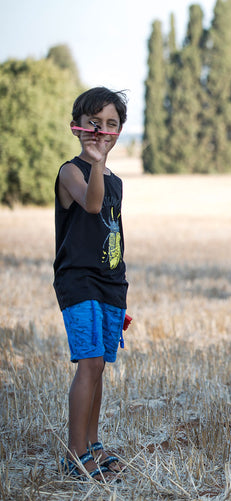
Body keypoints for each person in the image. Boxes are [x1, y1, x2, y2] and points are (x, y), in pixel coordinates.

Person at [54, 87, 129, 481]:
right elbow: (93, 205)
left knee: (99, 367)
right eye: (93, 123)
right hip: (78, 280)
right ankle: (74, 453)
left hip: (110, 284)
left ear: (120, 131)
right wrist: (96, 164)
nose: (102, 131)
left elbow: (112, 234)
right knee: (90, 362)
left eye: (111, 124)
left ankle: (93, 445)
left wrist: (120, 285)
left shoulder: (115, 179)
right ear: (78, 127)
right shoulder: (72, 171)